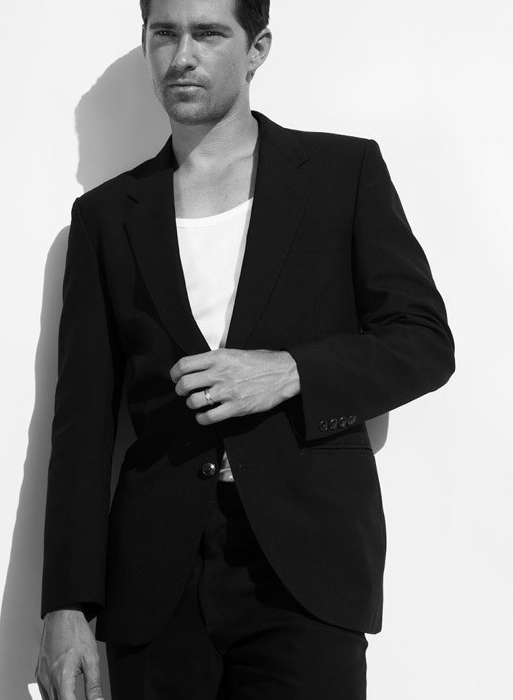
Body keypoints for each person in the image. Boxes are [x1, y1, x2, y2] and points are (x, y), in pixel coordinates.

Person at [35, 0, 455, 698]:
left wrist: (290, 371)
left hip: (306, 570)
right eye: (164, 34)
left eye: (208, 33)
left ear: (257, 48)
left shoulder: (341, 174)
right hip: (155, 582)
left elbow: (423, 340)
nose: (182, 56)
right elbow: (81, 425)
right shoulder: (106, 218)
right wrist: (66, 606)